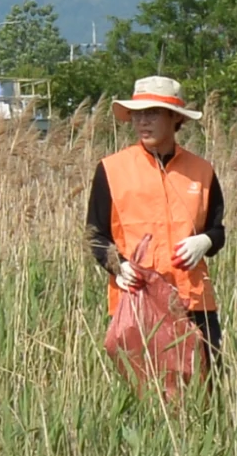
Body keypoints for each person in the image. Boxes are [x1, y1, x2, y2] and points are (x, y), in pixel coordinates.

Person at [89, 76, 227, 364]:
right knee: (143, 384)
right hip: (136, 298)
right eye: (137, 114)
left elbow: (217, 232)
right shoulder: (111, 169)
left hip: (193, 299)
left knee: (208, 382)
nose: (143, 121)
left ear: (175, 117)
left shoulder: (202, 170)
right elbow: (96, 235)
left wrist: (205, 241)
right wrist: (118, 265)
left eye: (152, 113)